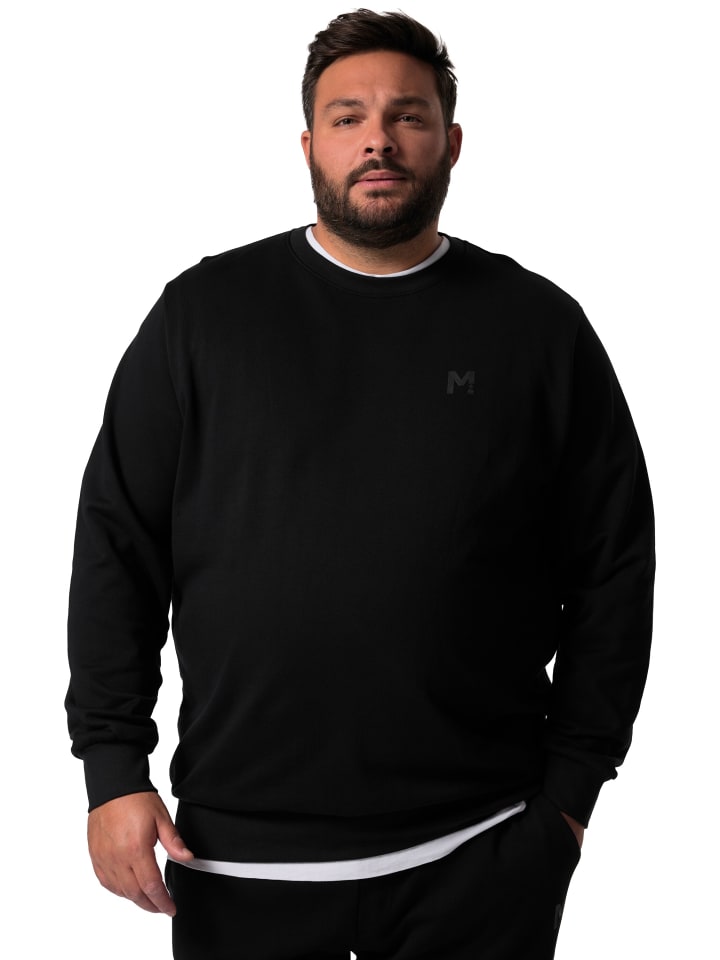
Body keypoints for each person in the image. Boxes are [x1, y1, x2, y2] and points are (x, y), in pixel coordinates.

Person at [65, 9, 655, 959]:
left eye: (407, 115)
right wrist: (112, 769)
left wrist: (570, 800)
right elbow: (117, 546)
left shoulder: (538, 329)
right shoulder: (201, 318)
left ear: (451, 142)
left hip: (482, 849)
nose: (378, 139)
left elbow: (615, 566)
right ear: (309, 145)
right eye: (348, 117)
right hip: (241, 860)